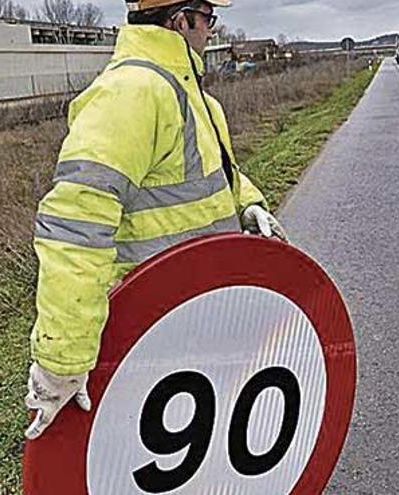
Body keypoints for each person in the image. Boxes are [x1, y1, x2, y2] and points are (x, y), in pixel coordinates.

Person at [24, 0, 285, 440]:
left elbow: (222, 178)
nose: (211, 33)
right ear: (181, 20)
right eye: (208, 20)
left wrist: (249, 205)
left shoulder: (195, 98)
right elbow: (75, 225)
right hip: (147, 333)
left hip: (206, 318)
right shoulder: (130, 93)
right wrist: (63, 362)